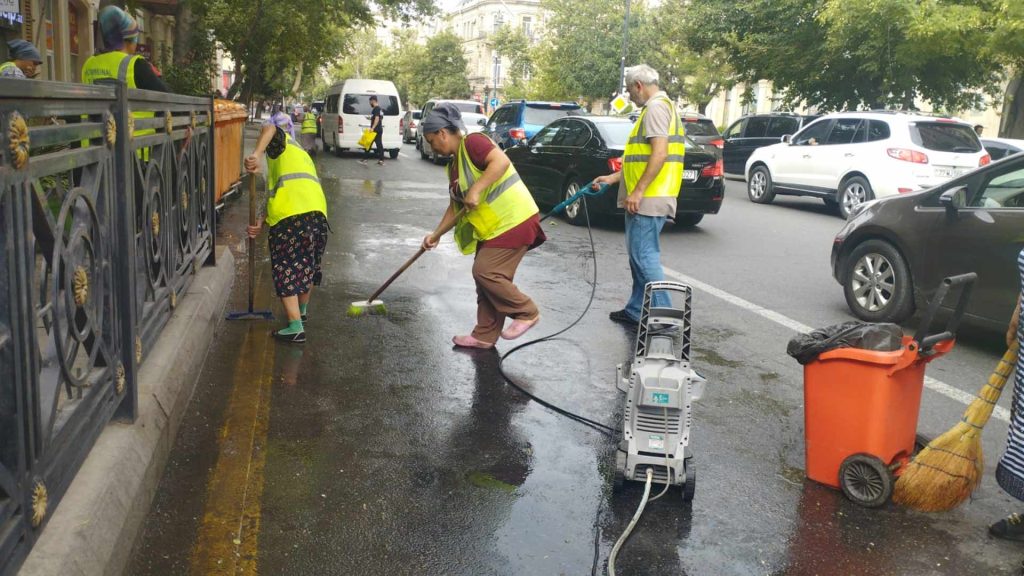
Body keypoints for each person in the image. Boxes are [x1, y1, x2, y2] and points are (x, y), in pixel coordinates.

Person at [420, 103, 545, 349]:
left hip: (514, 220)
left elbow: (501, 161)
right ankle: (484, 335)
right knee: (486, 281)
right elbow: (454, 207)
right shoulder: (453, 165)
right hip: (493, 228)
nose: (431, 146)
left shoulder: (473, 142)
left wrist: (476, 189)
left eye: (431, 140)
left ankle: (527, 311)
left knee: (486, 272)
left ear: (443, 133)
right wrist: (435, 235)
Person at [592, 64, 685, 326]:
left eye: (630, 91)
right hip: (648, 196)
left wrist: (639, 191)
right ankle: (635, 310)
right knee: (638, 258)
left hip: (649, 197)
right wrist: (611, 179)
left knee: (645, 258)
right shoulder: (658, 107)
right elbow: (640, 158)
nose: (630, 97)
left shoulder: (655, 108)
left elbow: (659, 154)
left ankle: (665, 318)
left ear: (638, 86)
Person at [244, 113, 329, 343]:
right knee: (307, 265)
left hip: (292, 217)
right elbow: (281, 191)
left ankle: (295, 327)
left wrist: (256, 154)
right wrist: (261, 222)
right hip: (318, 214)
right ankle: (301, 313)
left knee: (287, 266)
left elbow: (270, 128)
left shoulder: (279, 143)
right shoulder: (300, 153)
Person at [83, 6, 168, 92]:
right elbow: (167, 97)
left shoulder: (89, 63)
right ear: (129, 40)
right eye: (135, 38)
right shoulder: (137, 65)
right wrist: (156, 76)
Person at [359, 95, 385, 166]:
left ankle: (365, 159)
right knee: (378, 145)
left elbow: (377, 119)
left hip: (375, 130)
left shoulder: (376, 109)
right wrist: (370, 119)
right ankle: (381, 160)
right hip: (379, 129)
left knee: (368, 143)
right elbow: (380, 118)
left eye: (370, 102)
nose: (370, 103)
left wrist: (372, 127)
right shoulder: (380, 109)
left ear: (373, 101)